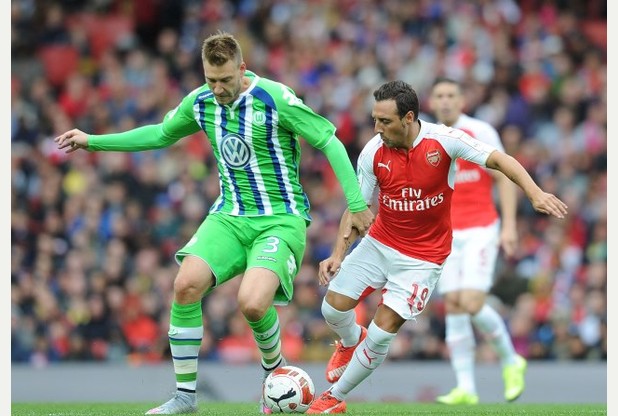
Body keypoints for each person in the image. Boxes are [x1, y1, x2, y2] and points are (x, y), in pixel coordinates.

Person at [54, 31, 374, 415]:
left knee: (252, 304)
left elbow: (328, 141)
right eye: (211, 80)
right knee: (185, 285)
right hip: (228, 216)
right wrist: (93, 141)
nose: (219, 88)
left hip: (279, 219)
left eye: (225, 79)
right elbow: (159, 134)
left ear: (242, 68)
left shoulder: (275, 97)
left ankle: (272, 379)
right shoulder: (201, 102)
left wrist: (356, 204)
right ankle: (185, 398)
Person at [306, 80, 567, 414]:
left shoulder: (444, 141)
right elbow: (357, 208)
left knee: (383, 331)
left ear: (408, 117)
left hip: (422, 259)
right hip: (380, 242)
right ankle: (348, 341)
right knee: (332, 308)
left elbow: (501, 160)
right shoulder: (373, 151)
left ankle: (334, 397)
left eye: (384, 121)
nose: (376, 128)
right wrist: (337, 254)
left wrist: (535, 193)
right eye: (375, 119)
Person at [429, 77, 526, 405]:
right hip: (445, 234)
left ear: (462, 101)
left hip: (481, 228)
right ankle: (466, 388)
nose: (445, 101)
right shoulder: (426, 136)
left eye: (451, 95)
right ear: (431, 101)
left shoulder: (480, 131)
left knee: (471, 302)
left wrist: (509, 226)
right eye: (439, 95)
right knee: (453, 304)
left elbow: (505, 177)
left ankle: (512, 360)